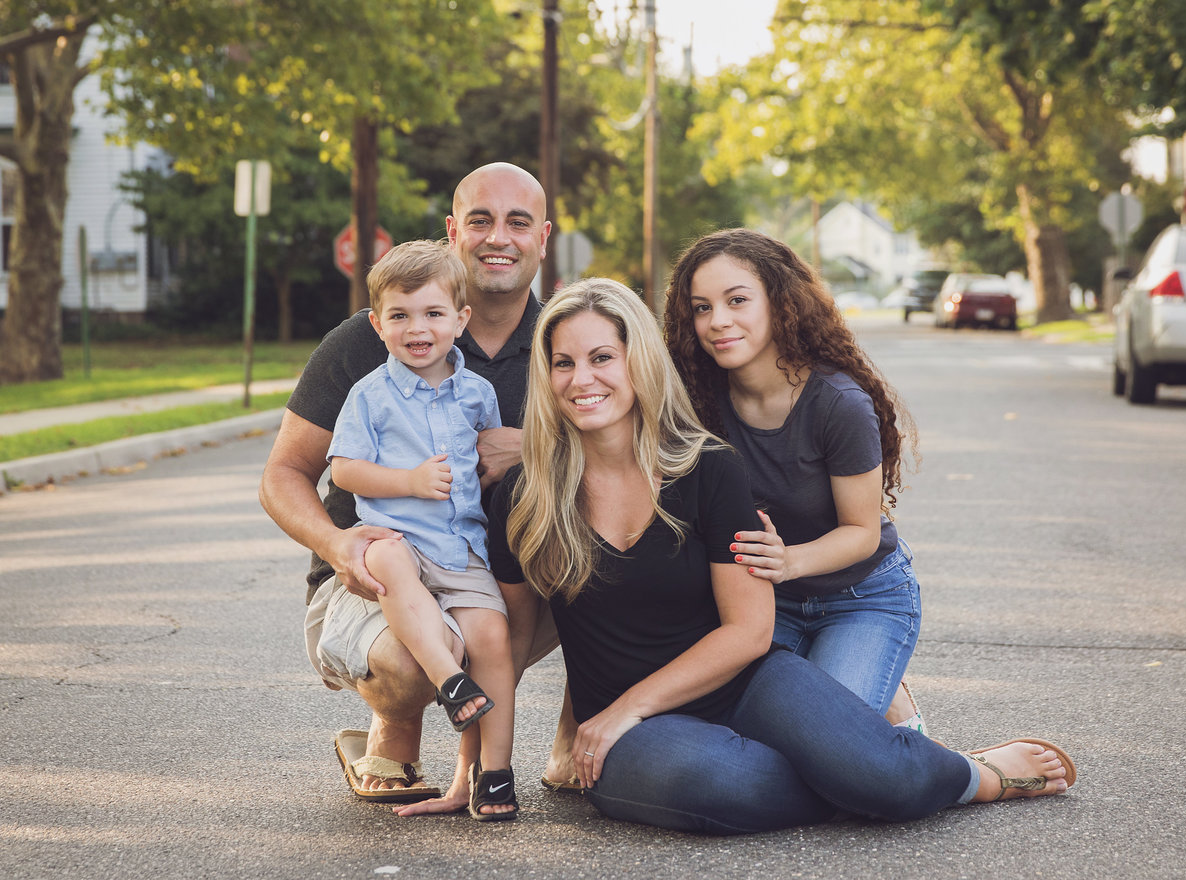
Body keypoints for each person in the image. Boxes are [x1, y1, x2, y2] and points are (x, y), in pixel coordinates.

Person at [484, 276, 1077, 834]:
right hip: (637, 736)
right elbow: (509, 643)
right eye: (563, 362)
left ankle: (967, 774)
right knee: (717, 781)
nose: (581, 379)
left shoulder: (707, 469)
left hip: (745, 682)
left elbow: (748, 631)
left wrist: (629, 706)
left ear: (638, 363)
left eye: (601, 358)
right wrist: (485, 773)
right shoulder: (525, 499)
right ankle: (885, 769)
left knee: (869, 770)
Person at [259, 162, 564, 814]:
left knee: (601, 576)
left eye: (517, 222)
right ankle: (393, 728)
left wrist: (538, 446)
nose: (497, 237)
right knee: (412, 656)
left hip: (492, 575)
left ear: (544, 235)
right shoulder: (369, 341)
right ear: (454, 230)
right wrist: (339, 547)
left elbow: (637, 457)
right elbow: (284, 474)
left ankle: (548, 745)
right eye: (480, 220)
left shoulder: (566, 341)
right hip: (373, 577)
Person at [664, 228, 925, 730]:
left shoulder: (839, 404)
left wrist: (790, 561)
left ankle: (908, 732)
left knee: (825, 742)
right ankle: (867, 693)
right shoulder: (693, 399)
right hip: (765, 603)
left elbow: (862, 532)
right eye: (701, 308)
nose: (718, 321)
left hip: (861, 597)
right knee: (754, 739)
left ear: (779, 302)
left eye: (737, 300)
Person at [325, 240, 516, 820]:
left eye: (433, 314)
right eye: (400, 316)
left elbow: (486, 459)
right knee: (388, 563)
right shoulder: (370, 395)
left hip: (461, 548)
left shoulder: (478, 394)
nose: (418, 328)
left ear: (460, 320)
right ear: (377, 323)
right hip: (396, 539)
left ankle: (496, 774)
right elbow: (345, 470)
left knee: (493, 639)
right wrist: (408, 481)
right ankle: (449, 681)